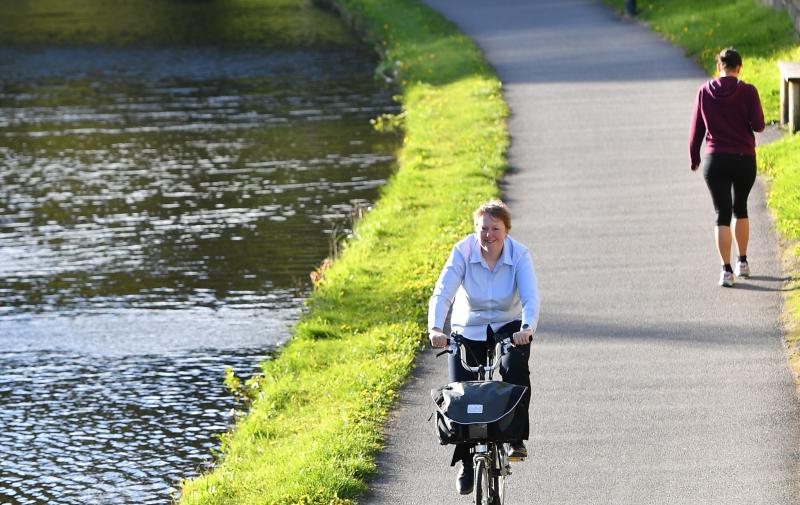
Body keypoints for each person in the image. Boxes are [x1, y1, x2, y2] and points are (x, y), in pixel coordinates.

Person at [428, 199, 540, 495]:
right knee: (460, 389)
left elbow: (530, 299)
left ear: (506, 230)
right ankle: (466, 461)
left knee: (513, 367)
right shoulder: (462, 252)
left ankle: (515, 437)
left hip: (508, 326)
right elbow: (443, 293)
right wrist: (436, 328)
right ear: (475, 229)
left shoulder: (519, 255)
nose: (488, 235)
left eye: (495, 229)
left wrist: (527, 329)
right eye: (483, 229)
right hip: (469, 326)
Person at [689, 47, 765, 287]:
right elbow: (759, 125)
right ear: (739, 68)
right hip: (744, 159)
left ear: (718, 68)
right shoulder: (748, 91)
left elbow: (696, 131)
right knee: (740, 208)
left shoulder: (704, 92)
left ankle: (726, 271)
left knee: (721, 213)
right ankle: (743, 262)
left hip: (715, 159)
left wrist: (694, 157)